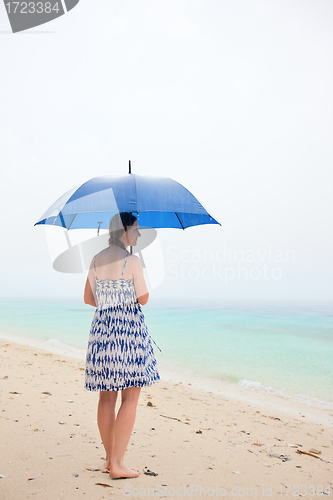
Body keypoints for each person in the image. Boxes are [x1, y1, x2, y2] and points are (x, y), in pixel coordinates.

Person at [84, 212, 160, 479]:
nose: (139, 235)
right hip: (127, 335)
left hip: (102, 333)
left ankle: (109, 459)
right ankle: (118, 464)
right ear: (124, 231)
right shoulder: (132, 260)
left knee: (106, 397)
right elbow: (144, 297)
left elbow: (88, 298)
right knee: (130, 397)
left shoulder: (95, 259)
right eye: (136, 229)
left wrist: (109, 301)